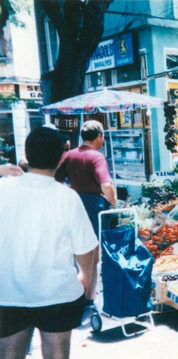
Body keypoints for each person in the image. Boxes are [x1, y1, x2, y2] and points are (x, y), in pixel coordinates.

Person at [0, 127, 98, 359]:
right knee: (56, 353)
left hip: (7, 293)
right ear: (62, 156)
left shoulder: (3, 188)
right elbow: (86, 251)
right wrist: (87, 281)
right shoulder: (67, 196)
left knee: (9, 354)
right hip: (58, 293)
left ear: (27, 153)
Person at [56, 120, 116, 234]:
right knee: (96, 241)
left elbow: (57, 180)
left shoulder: (69, 154)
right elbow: (107, 185)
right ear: (99, 136)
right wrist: (113, 201)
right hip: (94, 206)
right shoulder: (97, 157)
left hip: (74, 203)